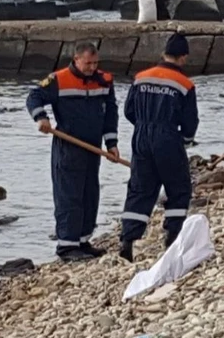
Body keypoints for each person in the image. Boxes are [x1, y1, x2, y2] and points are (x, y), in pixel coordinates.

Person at [26, 42, 120, 262]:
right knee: (69, 194)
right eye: (88, 63)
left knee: (90, 193)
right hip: (68, 146)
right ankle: (67, 246)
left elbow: (110, 113)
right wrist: (41, 117)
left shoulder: (104, 80)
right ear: (76, 59)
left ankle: (83, 240)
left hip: (93, 147)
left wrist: (111, 143)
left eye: (95, 63)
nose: (92, 67)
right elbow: (33, 97)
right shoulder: (58, 79)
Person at [119, 33, 199, 262]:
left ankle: (128, 239)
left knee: (140, 187)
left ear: (164, 53)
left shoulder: (141, 77)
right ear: (183, 57)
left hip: (142, 136)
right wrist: (185, 139)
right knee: (178, 186)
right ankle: (172, 235)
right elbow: (190, 121)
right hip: (167, 137)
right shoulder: (184, 84)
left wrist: (144, 126)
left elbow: (128, 111)